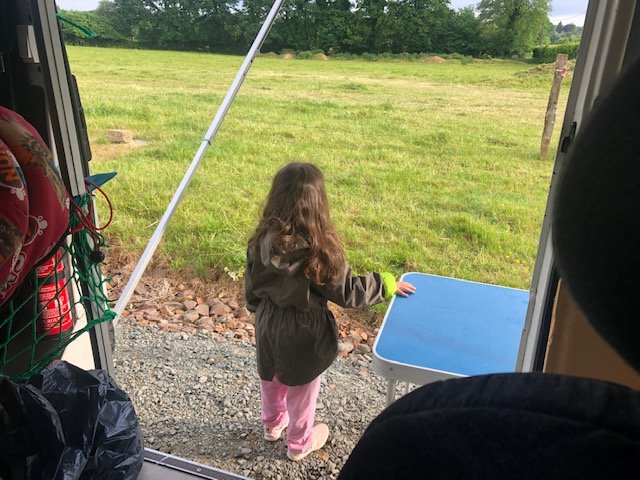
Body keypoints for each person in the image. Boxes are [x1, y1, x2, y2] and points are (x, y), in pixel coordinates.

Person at [244, 161, 415, 461]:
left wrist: (256, 309)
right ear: (318, 205)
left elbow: (252, 281)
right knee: (302, 387)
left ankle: (272, 424)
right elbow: (348, 291)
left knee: (270, 376)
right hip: (304, 331)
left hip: (268, 321)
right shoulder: (319, 251)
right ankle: (299, 443)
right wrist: (384, 284)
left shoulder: (261, 239)